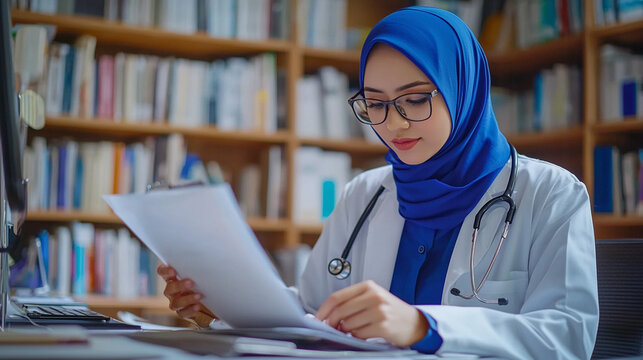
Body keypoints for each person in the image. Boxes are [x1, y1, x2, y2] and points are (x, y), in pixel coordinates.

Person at [157, 6, 599, 358]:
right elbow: (311, 313)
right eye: (376, 104)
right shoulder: (366, 193)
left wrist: (422, 327)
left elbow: (567, 337)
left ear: (463, 89)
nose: (394, 123)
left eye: (414, 99)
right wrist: (223, 308)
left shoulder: (551, 194)